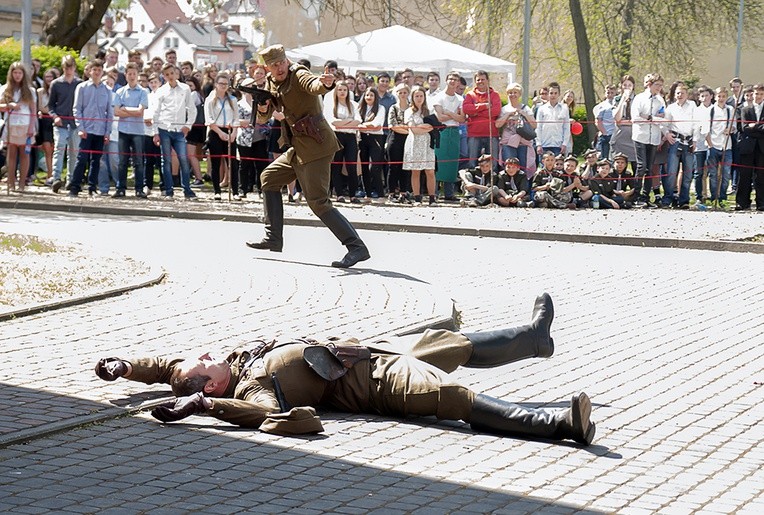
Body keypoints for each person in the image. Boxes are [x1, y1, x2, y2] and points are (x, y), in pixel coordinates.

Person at [95, 293, 595, 446]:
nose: (206, 352)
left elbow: (165, 368)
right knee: (454, 395)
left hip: (370, 352)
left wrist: (124, 368)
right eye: (204, 363)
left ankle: (533, 338)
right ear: (212, 383)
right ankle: (560, 424)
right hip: (378, 383)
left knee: (452, 342)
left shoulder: (230, 363)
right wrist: (205, 407)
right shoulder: (251, 392)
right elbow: (300, 422)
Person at [245, 45, 370, 269]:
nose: (279, 68)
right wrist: (262, 104)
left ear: (286, 60)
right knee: (269, 179)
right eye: (274, 65)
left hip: (317, 147)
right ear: (268, 68)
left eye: (281, 63)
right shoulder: (273, 82)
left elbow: (313, 85)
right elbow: (263, 119)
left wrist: (325, 83)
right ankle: (273, 236)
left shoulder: (298, 73)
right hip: (298, 148)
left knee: (318, 202)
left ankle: (356, 247)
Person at [151, 63, 197, 199]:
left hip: (179, 130)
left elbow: (192, 109)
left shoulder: (185, 88)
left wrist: (188, 126)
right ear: (164, 77)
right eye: (167, 74)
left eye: (172, 73)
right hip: (164, 128)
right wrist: (155, 132)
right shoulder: (161, 91)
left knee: (183, 159)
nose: (170, 76)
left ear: (176, 73)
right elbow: (155, 112)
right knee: (166, 161)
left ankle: (187, 190)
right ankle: (169, 190)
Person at [68, 59, 112, 197]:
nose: (97, 73)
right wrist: (81, 127)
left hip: (100, 130)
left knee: (96, 160)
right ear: (89, 72)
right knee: (82, 158)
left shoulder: (107, 90)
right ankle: (75, 186)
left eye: (99, 70)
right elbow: (77, 109)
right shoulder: (82, 87)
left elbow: (109, 113)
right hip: (86, 129)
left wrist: (107, 132)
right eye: (94, 70)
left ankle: (92, 186)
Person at [113, 62, 149, 198]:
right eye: (129, 74)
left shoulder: (143, 92)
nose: (132, 76)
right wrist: (129, 111)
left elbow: (140, 112)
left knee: (139, 162)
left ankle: (139, 189)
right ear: (125, 75)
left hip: (138, 131)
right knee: (122, 161)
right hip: (123, 131)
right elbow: (116, 112)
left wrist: (125, 109)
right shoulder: (120, 92)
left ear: (137, 75)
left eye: (134, 74)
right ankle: (120, 188)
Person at [0, 62, 37, 192]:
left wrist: (32, 128)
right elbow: (0, 106)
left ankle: (22, 184)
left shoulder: (30, 90)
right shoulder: (5, 89)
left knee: (24, 154)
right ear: (11, 74)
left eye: (19, 73)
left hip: (25, 124)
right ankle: (11, 183)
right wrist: (9, 105)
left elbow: (33, 110)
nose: (17, 75)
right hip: (11, 123)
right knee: (11, 154)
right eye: (15, 73)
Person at [48, 55, 82, 193]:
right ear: (63, 68)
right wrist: (55, 116)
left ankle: (71, 179)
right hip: (61, 122)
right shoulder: (56, 84)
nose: (68, 70)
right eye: (66, 67)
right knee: (59, 149)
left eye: (71, 67)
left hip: (75, 123)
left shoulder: (79, 84)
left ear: (74, 67)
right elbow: (50, 106)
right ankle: (56, 178)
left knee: (74, 152)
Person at [631, 73, 666, 206]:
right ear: (649, 84)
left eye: (661, 85)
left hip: (654, 137)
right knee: (642, 166)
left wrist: (649, 117)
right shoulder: (639, 98)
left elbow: (663, 118)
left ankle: (645, 197)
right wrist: (652, 118)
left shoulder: (660, 100)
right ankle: (636, 195)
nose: (659, 88)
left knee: (650, 168)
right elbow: (635, 118)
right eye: (657, 85)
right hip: (640, 136)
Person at [323, 79, 361, 203]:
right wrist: (349, 122)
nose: (342, 92)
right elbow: (333, 122)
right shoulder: (332, 105)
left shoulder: (354, 105)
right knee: (336, 166)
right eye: (340, 89)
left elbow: (358, 121)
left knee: (351, 166)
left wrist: (343, 124)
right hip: (336, 136)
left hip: (350, 137)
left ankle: (353, 194)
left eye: (345, 90)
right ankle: (339, 194)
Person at [204, 73, 239, 201]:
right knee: (216, 163)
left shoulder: (232, 99)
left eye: (226, 84)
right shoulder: (210, 99)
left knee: (233, 163)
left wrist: (234, 133)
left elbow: (236, 118)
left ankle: (235, 191)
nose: (223, 86)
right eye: (221, 84)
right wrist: (220, 133)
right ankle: (217, 191)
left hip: (230, 130)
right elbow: (209, 119)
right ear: (216, 85)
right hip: (216, 131)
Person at [432, 72, 465, 201]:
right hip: (441, 131)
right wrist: (453, 115)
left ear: (458, 82)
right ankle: (433, 192)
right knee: (437, 161)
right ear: (446, 80)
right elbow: (439, 117)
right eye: (450, 78)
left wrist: (449, 113)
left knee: (452, 162)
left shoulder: (460, 99)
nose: (452, 81)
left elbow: (462, 118)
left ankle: (449, 193)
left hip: (454, 131)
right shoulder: (438, 97)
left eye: (455, 79)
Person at [663, 83, 697, 209]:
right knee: (672, 172)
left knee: (687, 174)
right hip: (675, 141)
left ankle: (684, 200)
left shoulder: (692, 106)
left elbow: (696, 123)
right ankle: (668, 199)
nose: (680, 95)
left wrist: (695, 140)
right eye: (678, 93)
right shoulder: (670, 108)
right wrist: (666, 134)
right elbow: (664, 124)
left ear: (686, 94)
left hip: (688, 141)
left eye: (682, 93)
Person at [403, 85, 436, 206]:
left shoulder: (430, 110)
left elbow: (433, 126)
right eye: (416, 96)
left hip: (427, 143)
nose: (419, 98)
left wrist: (422, 128)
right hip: (414, 143)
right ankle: (417, 197)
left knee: (430, 171)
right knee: (415, 171)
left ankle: (432, 198)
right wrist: (424, 128)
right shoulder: (409, 111)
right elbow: (413, 129)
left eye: (421, 96)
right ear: (412, 97)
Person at [703, 87, 735, 208]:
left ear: (726, 97)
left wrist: (730, 129)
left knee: (726, 174)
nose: (721, 99)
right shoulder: (710, 110)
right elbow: (705, 130)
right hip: (713, 145)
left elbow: (734, 126)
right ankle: (714, 198)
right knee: (713, 174)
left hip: (727, 146)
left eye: (723, 96)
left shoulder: (730, 110)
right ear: (715, 97)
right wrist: (710, 146)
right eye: (719, 96)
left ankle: (722, 198)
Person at [462, 70, 501, 167]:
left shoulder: (494, 95)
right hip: (474, 134)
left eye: (483, 79)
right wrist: (484, 106)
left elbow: (496, 111)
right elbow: (466, 109)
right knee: (472, 162)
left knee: (493, 163)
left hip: (492, 134)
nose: (480, 81)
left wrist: (475, 112)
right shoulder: (470, 95)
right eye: (478, 80)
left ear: (487, 80)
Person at [495, 82, 536, 174]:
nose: (512, 95)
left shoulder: (526, 108)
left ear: (519, 94)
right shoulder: (504, 109)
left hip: (523, 143)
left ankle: (523, 187)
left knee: (523, 169)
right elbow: (497, 125)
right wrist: (508, 114)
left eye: (515, 92)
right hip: (508, 143)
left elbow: (534, 125)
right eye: (510, 92)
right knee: (509, 167)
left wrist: (523, 113)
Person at [735, 84, 764, 211]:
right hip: (748, 147)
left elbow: (755, 128)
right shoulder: (746, 109)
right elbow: (744, 128)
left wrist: (755, 126)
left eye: (761, 94)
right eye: (756, 94)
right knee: (745, 175)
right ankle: (742, 202)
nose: (758, 96)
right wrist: (757, 128)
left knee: (761, 175)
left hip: (762, 147)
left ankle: (761, 203)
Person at [357, 88, 387, 199]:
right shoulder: (359, 108)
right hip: (363, 138)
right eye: (367, 95)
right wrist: (366, 126)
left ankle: (380, 194)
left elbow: (377, 124)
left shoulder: (380, 108)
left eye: (371, 95)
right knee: (364, 167)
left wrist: (362, 125)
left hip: (376, 138)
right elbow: (356, 122)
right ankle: (368, 194)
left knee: (375, 167)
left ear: (375, 97)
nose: (369, 97)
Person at [386, 83, 411, 202]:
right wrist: (407, 130)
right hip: (395, 139)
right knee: (393, 167)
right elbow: (392, 125)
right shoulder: (393, 108)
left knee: (406, 167)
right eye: (400, 92)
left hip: (409, 140)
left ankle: (403, 192)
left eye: (404, 92)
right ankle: (391, 192)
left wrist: (408, 130)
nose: (402, 95)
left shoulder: (412, 108)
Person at [535, 82, 571, 157]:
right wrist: (538, 144)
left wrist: (564, 144)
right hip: (544, 144)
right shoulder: (542, 109)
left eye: (555, 93)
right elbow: (538, 127)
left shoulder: (564, 108)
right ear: (548, 94)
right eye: (551, 93)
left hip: (558, 145)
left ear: (559, 94)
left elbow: (566, 127)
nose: (553, 95)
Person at [37, 68, 59, 185]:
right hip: (45, 122)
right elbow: (40, 107)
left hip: (55, 120)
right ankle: (49, 174)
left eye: (51, 77)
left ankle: (55, 175)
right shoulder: (40, 91)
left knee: (55, 149)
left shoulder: (57, 90)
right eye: (47, 77)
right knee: (47, 149)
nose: (49, 79)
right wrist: (51, 111)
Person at [184, 76, 207, 187]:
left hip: (194, 128)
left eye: (190, 85)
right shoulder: (199, 95)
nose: (188, 88)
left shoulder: (193, 95)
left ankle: (199, 178)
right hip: (198, 128)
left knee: (191, 154)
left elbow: (187, 109)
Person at [593, 84, 617, 160]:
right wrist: (604, 132)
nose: (610, 95)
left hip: (616, 135)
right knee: (605, 158)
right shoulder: (602, 106)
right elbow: (598, 121)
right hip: (606, 135)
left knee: (615, 157)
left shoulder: (618, 104)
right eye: (608, 92)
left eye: (612, 93)